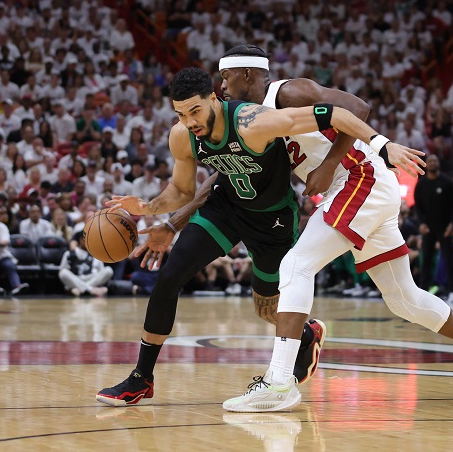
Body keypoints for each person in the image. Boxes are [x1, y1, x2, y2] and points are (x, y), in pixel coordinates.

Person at [210, 46, 453, 412]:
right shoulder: (250, 116)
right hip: (360, 188)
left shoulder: (287, 92)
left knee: (296, 265)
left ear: (247, 74)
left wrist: (331, 164)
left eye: (226, 76)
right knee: (404, 299)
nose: (222, 86)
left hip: (359, 178)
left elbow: (357, 108)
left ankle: (279, 382)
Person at [96, 66, 423, 407]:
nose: (190, 121)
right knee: (169, 276)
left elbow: (339, 113)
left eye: (195, 110)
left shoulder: (254, 121)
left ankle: (307, 332)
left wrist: (381, 145)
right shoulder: (182, 134)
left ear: (213, 98)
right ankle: (141, 379)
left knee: (268, 309)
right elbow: (181, 189)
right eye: (181, 114)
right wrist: (148, 207)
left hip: (272, 219)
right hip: (225, 208)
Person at [413, 155, 453, 299]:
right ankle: (424, 291)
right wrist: (421, 223)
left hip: (445, 227)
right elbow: (418, 207)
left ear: (439, 164)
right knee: (425, 259)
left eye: (435, 161)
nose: (433, 163)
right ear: (426, 165)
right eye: (430, 161)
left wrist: (452, 223)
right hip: (428, 228)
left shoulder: (447, 182)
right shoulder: (422, 183)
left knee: (448, 259)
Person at [58, 231, 113, 297]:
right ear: (80, 240)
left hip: (91, 278)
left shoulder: (95, 254)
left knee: (108, 270)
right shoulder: (69, 253)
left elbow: (101, 271)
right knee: (63, 272)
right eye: (86, 239)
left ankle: (78, 289)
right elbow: (63, 271)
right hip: (76, 278)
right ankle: (91, 290)